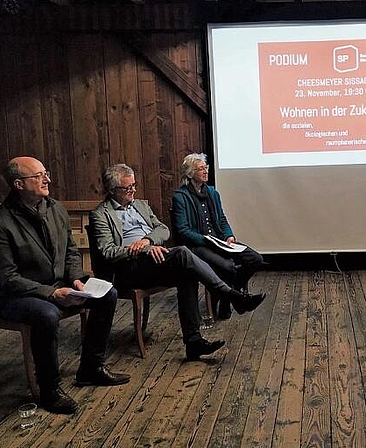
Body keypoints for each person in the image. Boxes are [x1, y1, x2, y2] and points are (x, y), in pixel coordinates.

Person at [89, 164, 266, 361]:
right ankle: (231, 294)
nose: (133, 190)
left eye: (134, 185)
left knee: (186, 273)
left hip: (153, 259)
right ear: (113, 190)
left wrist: (148, 241)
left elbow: (163, 230)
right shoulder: (100, 214)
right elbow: (108, 252)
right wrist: (143, 249)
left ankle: (193, 343)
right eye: (127, 188)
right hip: (128, 268)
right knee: (182, 252)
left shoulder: (140, 205)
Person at [0, 157, 130, 415]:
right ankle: (50, 389)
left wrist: (75, 281)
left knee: (107, 293)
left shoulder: (55, 208)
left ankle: (91, 368)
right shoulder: (3, 221)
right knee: (46, 313)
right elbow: (7, 278)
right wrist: (51, 293)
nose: (47, 179)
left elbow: (71, 252)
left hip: (58, 283)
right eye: (38, 176)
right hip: (17, 294)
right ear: (18, 184)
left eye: (45, 173)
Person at [171, 153, 266, 319]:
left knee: (255, 259)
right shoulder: (180, 197)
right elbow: (182, 230)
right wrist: (206, 240)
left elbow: (222, 219)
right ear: (190, 173)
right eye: (200, 169)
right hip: (198, 246)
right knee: (228, 268)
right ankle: (233, 300)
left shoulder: (213, 193)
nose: (205, 171)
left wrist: (229, 235)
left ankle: (228, 296)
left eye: (205, 167)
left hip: (219, 241)